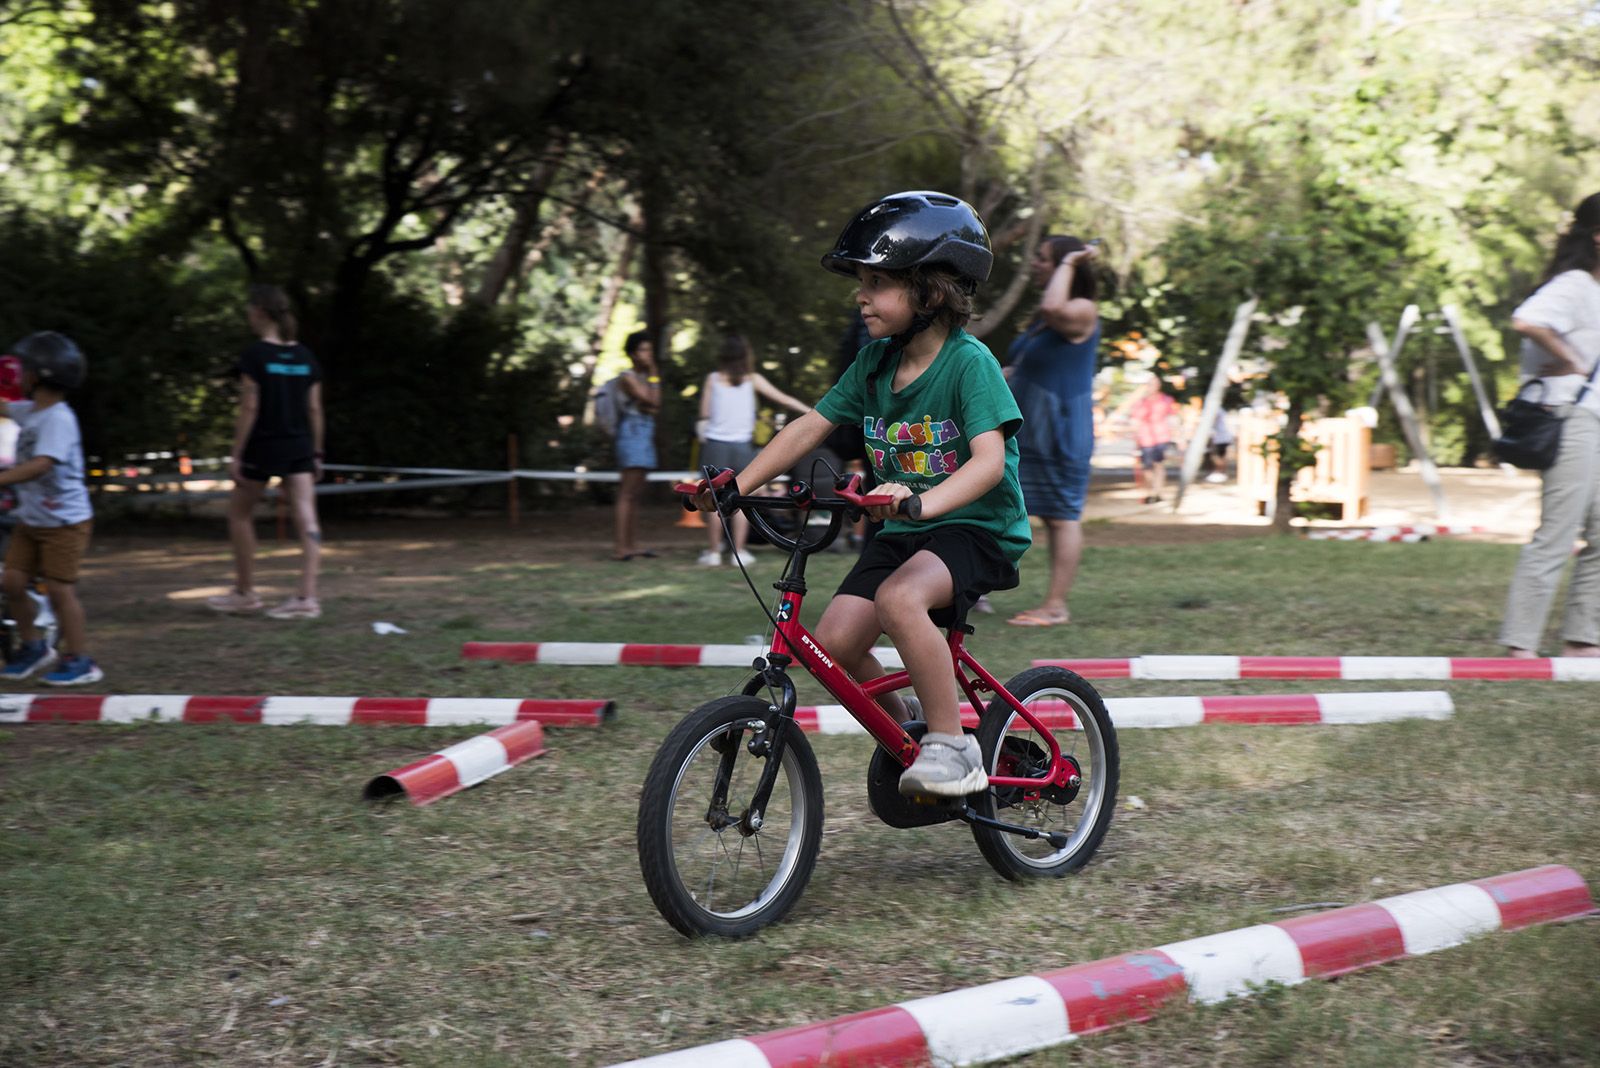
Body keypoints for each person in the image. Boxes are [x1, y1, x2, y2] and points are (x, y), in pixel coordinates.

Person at [691, 190, 1028, 796]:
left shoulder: (967, 364)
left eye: (876, 282)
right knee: (838, 643)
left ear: (929, 291)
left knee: (901, 602)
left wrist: (923, 502)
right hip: (903, 530)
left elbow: (988, 464)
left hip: (974, 529)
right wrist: (734, 487)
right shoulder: (872, 364)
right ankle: (910, 743)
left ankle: (955, 748)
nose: (860, 295)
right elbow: (810, 427)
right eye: (861, 282)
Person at [1500, 191, 1600, 659]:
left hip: (1594, 420)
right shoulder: (1575, 283)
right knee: (1558, 533)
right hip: (1571, 417)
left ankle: (1584, 641)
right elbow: (1528, 320)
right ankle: (1521, 646)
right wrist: (1572, 360)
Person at [206, 284, 325, 620]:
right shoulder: (306, 357)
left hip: (263, 445)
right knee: (308, 518)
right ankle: (307, 598)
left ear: (259, 311)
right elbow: (314, 409)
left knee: (240, 515)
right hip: (299, 446)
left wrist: (237, 453)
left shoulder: (255, 356)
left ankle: (245, 593)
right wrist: (316, 452)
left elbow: (249, 407)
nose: (248, 316)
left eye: (249, 310)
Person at [1002, 235, 1100, 627]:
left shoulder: (1082, 309)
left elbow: (1052, 303)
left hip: (1059, 427)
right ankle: (972, 592)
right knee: (1007, 507)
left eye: (1044, 259)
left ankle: (1056, 605)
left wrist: (1072, 260)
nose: (1036, 265)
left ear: (1066, 266)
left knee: (1061, 516)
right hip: (1030, 427)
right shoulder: (1042, 322)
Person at [0, 332, 101, 685]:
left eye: (23, 367)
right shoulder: (31, 410)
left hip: (64, 522)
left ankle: (80, 659)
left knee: (59, 590)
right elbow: (4, 407)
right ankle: (35, 646)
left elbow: (42, 464)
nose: (18, 373)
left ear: (38, 376)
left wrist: (3, 478)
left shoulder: (58, 418)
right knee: (12, 581)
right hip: (32, 519)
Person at [696, 334, 811, 566]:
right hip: (743, 448)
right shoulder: (753, 379)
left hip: (715, 446)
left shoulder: (713, 379)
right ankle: (740, 553)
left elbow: (704, 415)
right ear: (746, 356)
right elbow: (785, 399)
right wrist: (813, 412)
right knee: (742, 499)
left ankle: (714, 553)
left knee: (714, 499)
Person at [612, 329, 662, 561]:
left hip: (643, 434)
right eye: (643, 349)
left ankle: (631, 545)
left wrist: (652, 378)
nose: (648, 354)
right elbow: (650, 399)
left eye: (650, 350)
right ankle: (622, 547)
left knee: (635, 495)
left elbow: (656, 403)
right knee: (627, 493)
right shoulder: (627, 377)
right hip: (632, 435)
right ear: (632, 353)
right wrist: (653, 374)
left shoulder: (646, 377)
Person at [1127, 373, 1181, 504]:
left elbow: (1173, 418)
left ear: (1158, 386)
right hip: (1145, 438)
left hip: (1162, 436)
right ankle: (1151, 491)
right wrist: (1135, 435)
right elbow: (1135, 421)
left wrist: (1179, 437)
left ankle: (1158, 492)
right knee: (1147, 467)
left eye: (1154, 384)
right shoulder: (1140, 403)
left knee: (1159, 464)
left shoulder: (1166, 400)